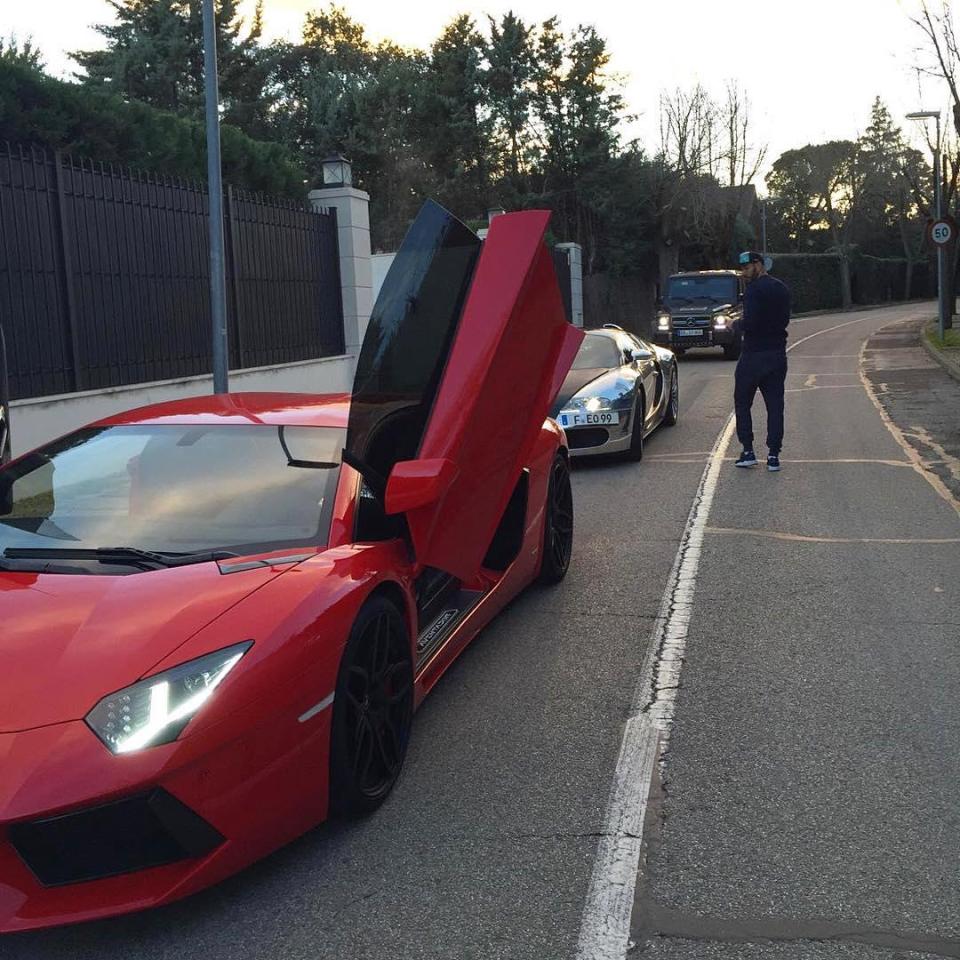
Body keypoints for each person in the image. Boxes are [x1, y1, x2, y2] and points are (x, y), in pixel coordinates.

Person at [732, 251, 790, 472]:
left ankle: (748, 451)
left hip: (753, 354)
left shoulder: (754, 291)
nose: (744, 273)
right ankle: (774, 455)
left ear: (758, 265)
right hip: (777, 354)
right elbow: (785, 319)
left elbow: (752, 322)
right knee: (775, 406)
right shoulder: (782, 288)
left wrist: (735, 324)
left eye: (747, 268)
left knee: (742, 401)